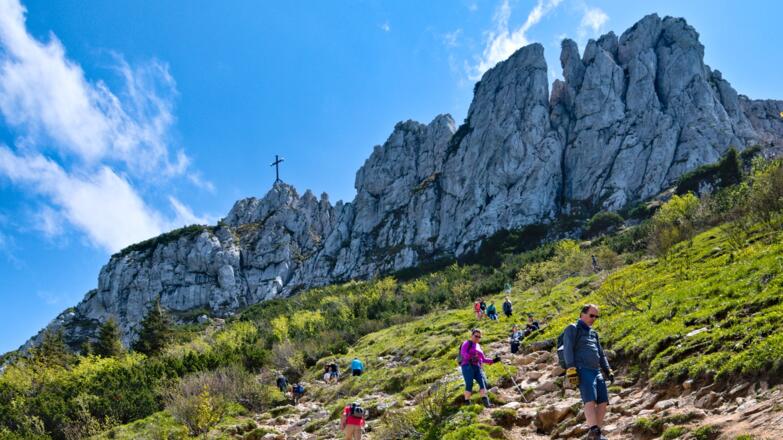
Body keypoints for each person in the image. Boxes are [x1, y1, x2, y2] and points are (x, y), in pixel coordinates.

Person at [563, 304, 614, 440]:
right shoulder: (572, 328)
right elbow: (567, 349)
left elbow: (601, 354)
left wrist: (608, 370)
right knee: (589, 399)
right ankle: (594, 431)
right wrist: (571, 369)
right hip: (582, 369)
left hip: (596, 370)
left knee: (603, 401)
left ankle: (595, 433)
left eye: (596, 316)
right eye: (592, 315)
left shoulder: (593, 333)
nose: (594, 319)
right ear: (582, 314)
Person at [459, 329, 500, 407]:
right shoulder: (467, 343)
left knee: (483, 383)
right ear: (472, 336)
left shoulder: (478, 346)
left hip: (477, 367)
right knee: (469, 384)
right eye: (476, 336)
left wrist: (494, 360)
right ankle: (467, 403)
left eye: (479, 337)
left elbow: (483, 359)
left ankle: (487, 403)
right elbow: (463, 353)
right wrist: (471, 358)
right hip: (467, 366)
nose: (477, 338)